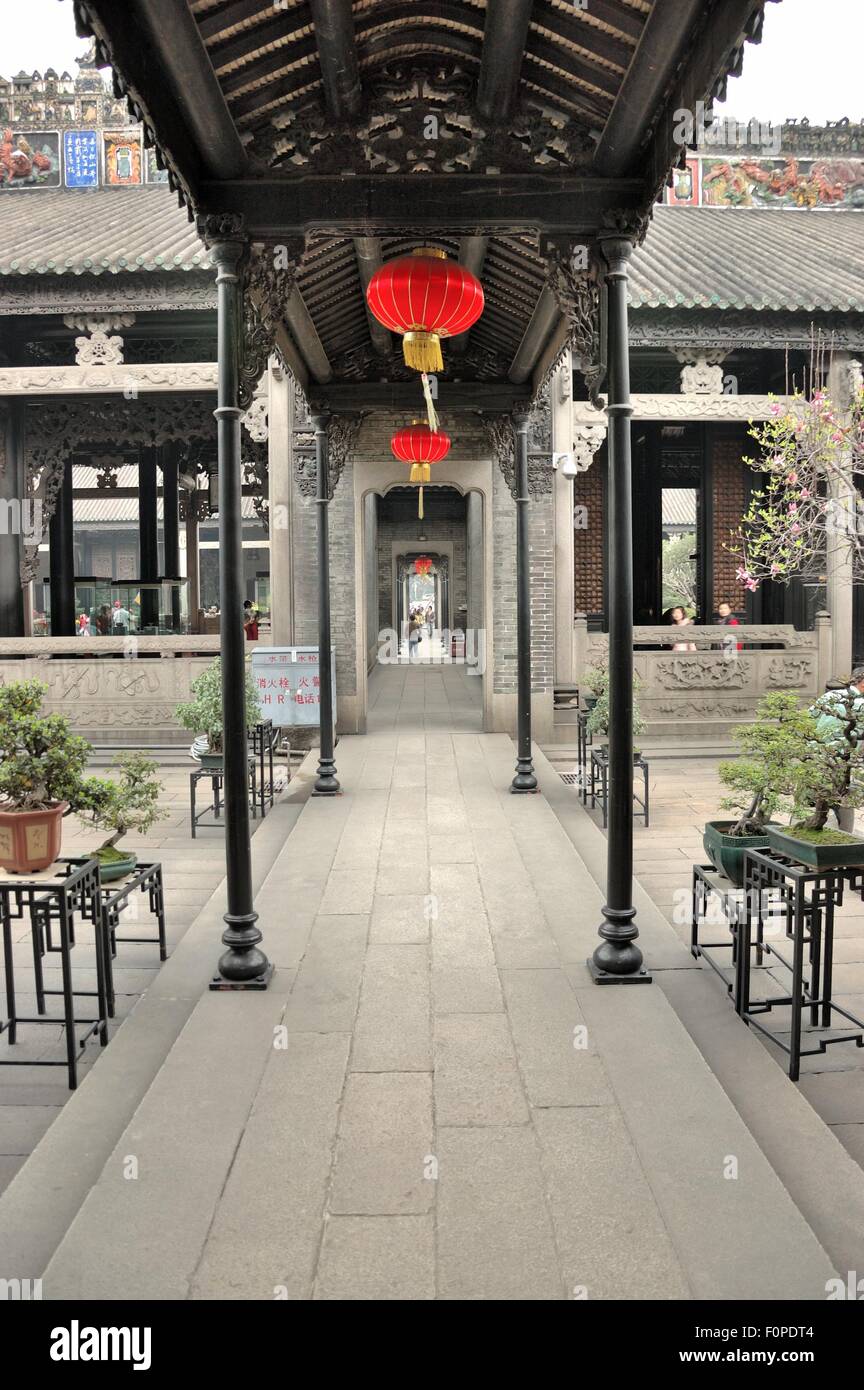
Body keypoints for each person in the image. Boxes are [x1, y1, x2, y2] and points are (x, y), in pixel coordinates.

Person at [811, 669, 864, 830]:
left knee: (814, 796)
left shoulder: (829, 696)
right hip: (845, 761)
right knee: (844, 798)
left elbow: (809, 719)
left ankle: (812, 826)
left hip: (816, 755)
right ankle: (844, 835)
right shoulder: (861, 705)